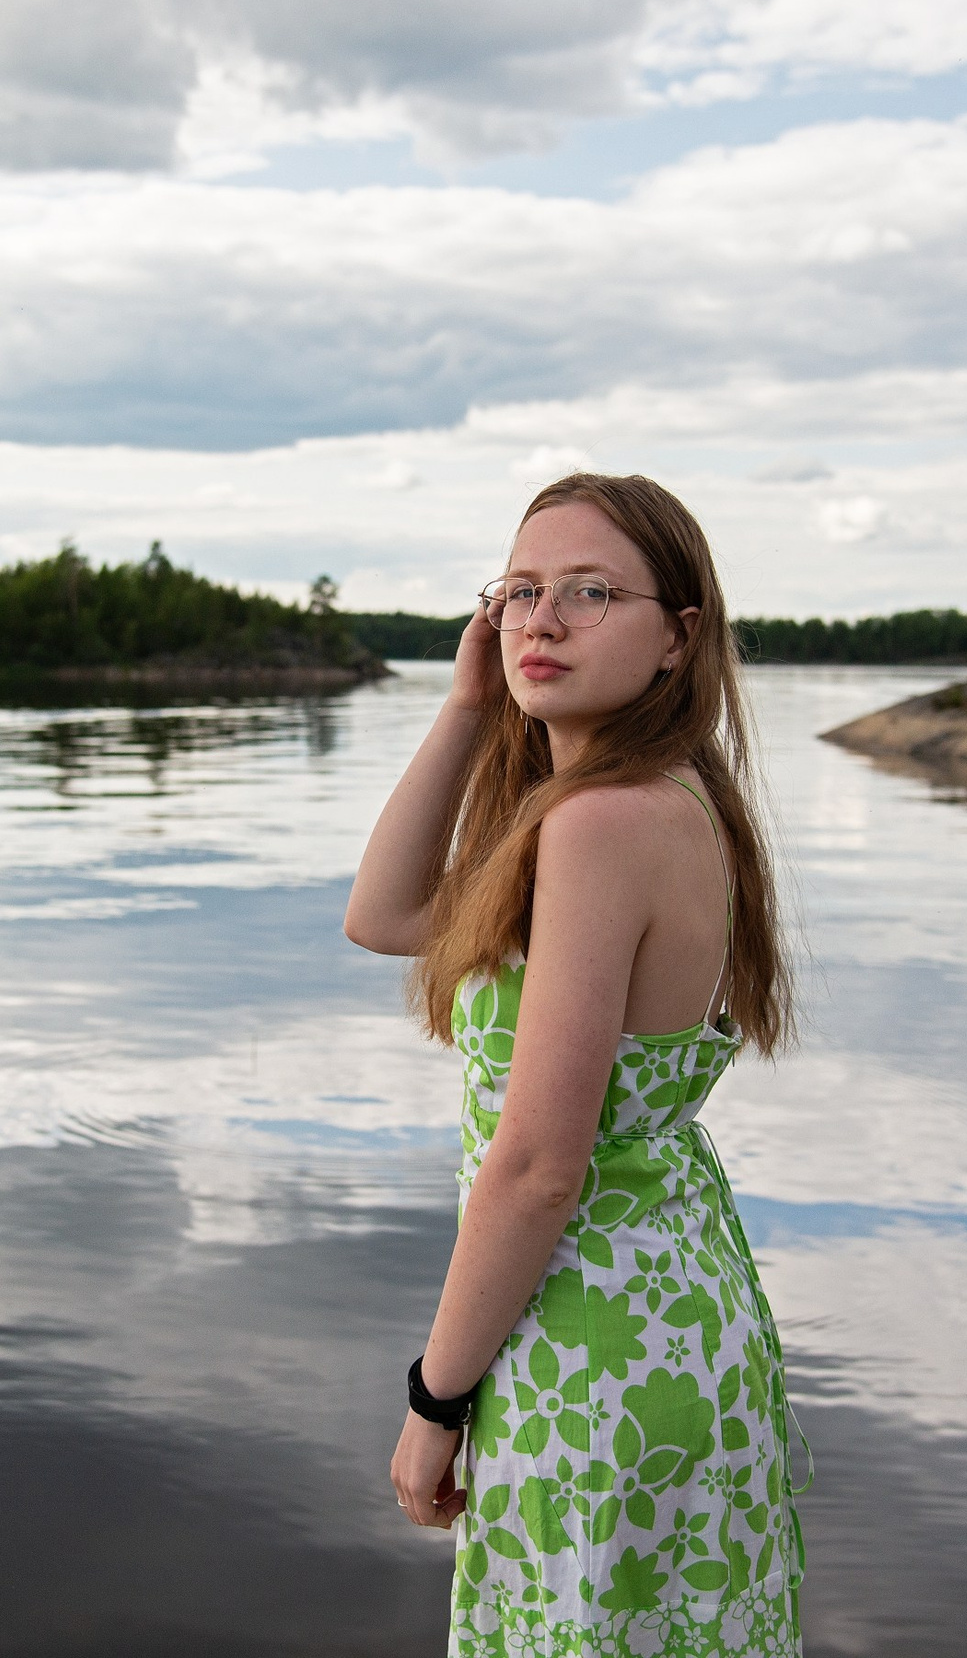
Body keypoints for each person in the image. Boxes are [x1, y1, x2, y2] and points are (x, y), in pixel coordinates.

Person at [344, 473, 805, 1657]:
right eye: (520, 592)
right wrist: (463, 709)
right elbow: (385, 911)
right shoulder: (669, 799)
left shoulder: (597, 826)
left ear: (677, 636)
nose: (541, 620)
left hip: (587, 1347)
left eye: (590, 592)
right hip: (676, 1322)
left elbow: (540, 1164)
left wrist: (433, 1398)